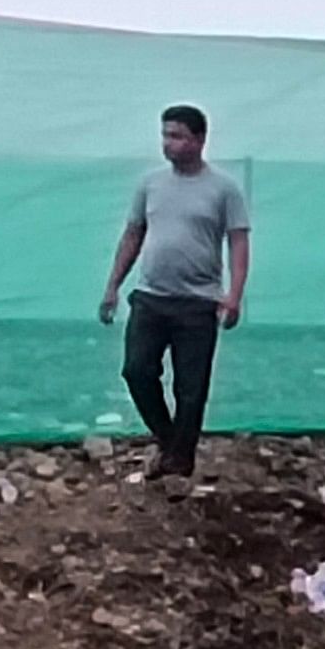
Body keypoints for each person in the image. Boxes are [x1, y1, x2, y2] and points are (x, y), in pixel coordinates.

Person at [97, 105, 250, 483]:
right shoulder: (150, 184)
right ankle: (169, 442)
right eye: (166, 135)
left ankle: (179, 463)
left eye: (178, 136)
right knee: (136, 371)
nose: (169, 143)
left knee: (191, 388)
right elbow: (133, 233)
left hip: (199, 303)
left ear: (199, 140)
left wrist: (234, 294)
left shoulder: (224, 189)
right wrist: (113, 285)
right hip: (150, 297)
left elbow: (238, 242)